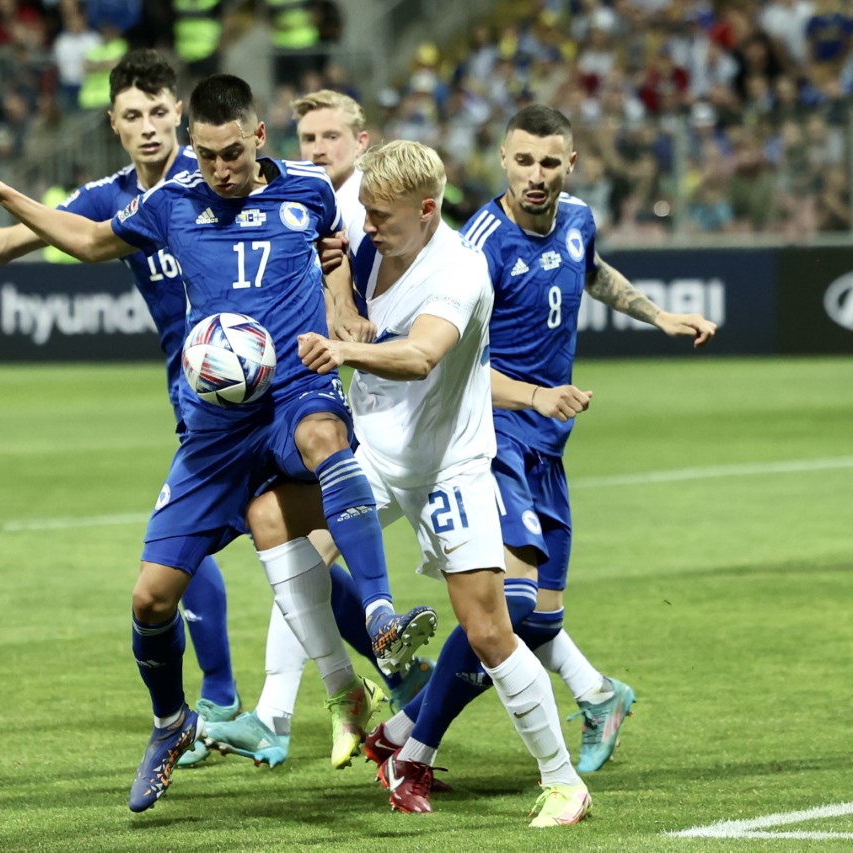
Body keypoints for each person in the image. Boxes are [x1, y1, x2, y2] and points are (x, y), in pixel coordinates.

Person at [0, 73, 435, 812]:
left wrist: (343, 308)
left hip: (294, 389)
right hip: (214, 423)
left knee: (327, 437)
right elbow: (90, 240)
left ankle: (384, 620)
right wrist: (5, 192)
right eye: (207, 157)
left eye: (231, 153)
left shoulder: (310, 189)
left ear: (259, 138)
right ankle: (172, 722)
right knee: (151, 596)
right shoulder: (170, 202)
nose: (220, 170)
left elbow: (332, 252)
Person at [0, 49, 244, 768]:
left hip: (255, 390)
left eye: (160, 112)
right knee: (223, 542)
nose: (150, 127)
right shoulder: (109, 195)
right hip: (194, 394)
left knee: (259, 540)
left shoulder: (218, 173)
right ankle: (246, 695)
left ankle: (247, 695)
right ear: (114, 125)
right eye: (133, 116)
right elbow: (5, 244)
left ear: (179, 113)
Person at [364, 105, 717, 790]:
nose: (536, 175)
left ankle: (595, 695)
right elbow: (455, 361)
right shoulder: (480, 246)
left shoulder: (578, 218)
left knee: (538, 614)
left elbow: (589, 270)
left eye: (549, 162)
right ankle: (410, 739)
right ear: (502, 160)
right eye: (523, 161)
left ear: (571, 165)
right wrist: (532, 395)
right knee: (511, 605)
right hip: (495, 439)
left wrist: (658, 315)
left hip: (548, 443)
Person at [286, 139, 591, 826]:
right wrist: (338, 293)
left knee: (489, 629)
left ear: (427, 211)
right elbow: (336, 262)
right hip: (374, 453)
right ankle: (367, 679)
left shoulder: (458, 270)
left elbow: (422, 355)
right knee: (285, 543)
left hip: (448, 467)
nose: (369, 224)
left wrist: (345, 348)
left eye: (383, 215)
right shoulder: (368, 241)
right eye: (365, 210)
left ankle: (563, 780)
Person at [200, 89, 435, 771]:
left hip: (417, 427)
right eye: (307, 138)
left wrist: (352, 324)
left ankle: (330, 696)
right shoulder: (303, 210)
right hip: (366, 418)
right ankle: (350, 691)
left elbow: (411, 315)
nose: (317, 149)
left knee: (505, 614)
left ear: (363, 143)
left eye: (332, 135)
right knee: (280, 528)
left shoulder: (378, 215)